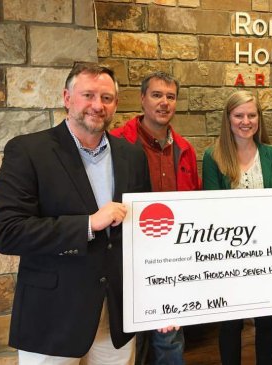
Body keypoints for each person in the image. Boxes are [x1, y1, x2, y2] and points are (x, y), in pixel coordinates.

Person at [0, 63, 152, 364]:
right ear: (67, 98)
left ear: (115, 104)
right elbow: (7, 232)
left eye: (106, 98)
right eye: (87, 95)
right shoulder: (28, 151)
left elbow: (144, 237)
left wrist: (161, 303)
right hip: (52, 318)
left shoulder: (132, 156)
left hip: (114, 318)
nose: (97, 105)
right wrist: (88, 225)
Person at [110, 71, 200, 365]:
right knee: (128, 340)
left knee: (170, 337)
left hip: (172, 257)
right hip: (129, 256)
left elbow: (195, 202)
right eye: (157, 95)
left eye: (170, 97)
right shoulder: (116, 142)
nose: (164, 103)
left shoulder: (185, 149)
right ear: (142, 99)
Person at [202, 90, 272, 365]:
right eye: (239, 115)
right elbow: (213, 209)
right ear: (228, 119)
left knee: (266, 321)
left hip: (267, 250)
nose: (246, 121)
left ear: (259, 119)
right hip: (230, 253)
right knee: (230, 323)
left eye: (252, 115)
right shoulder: (213, 156)